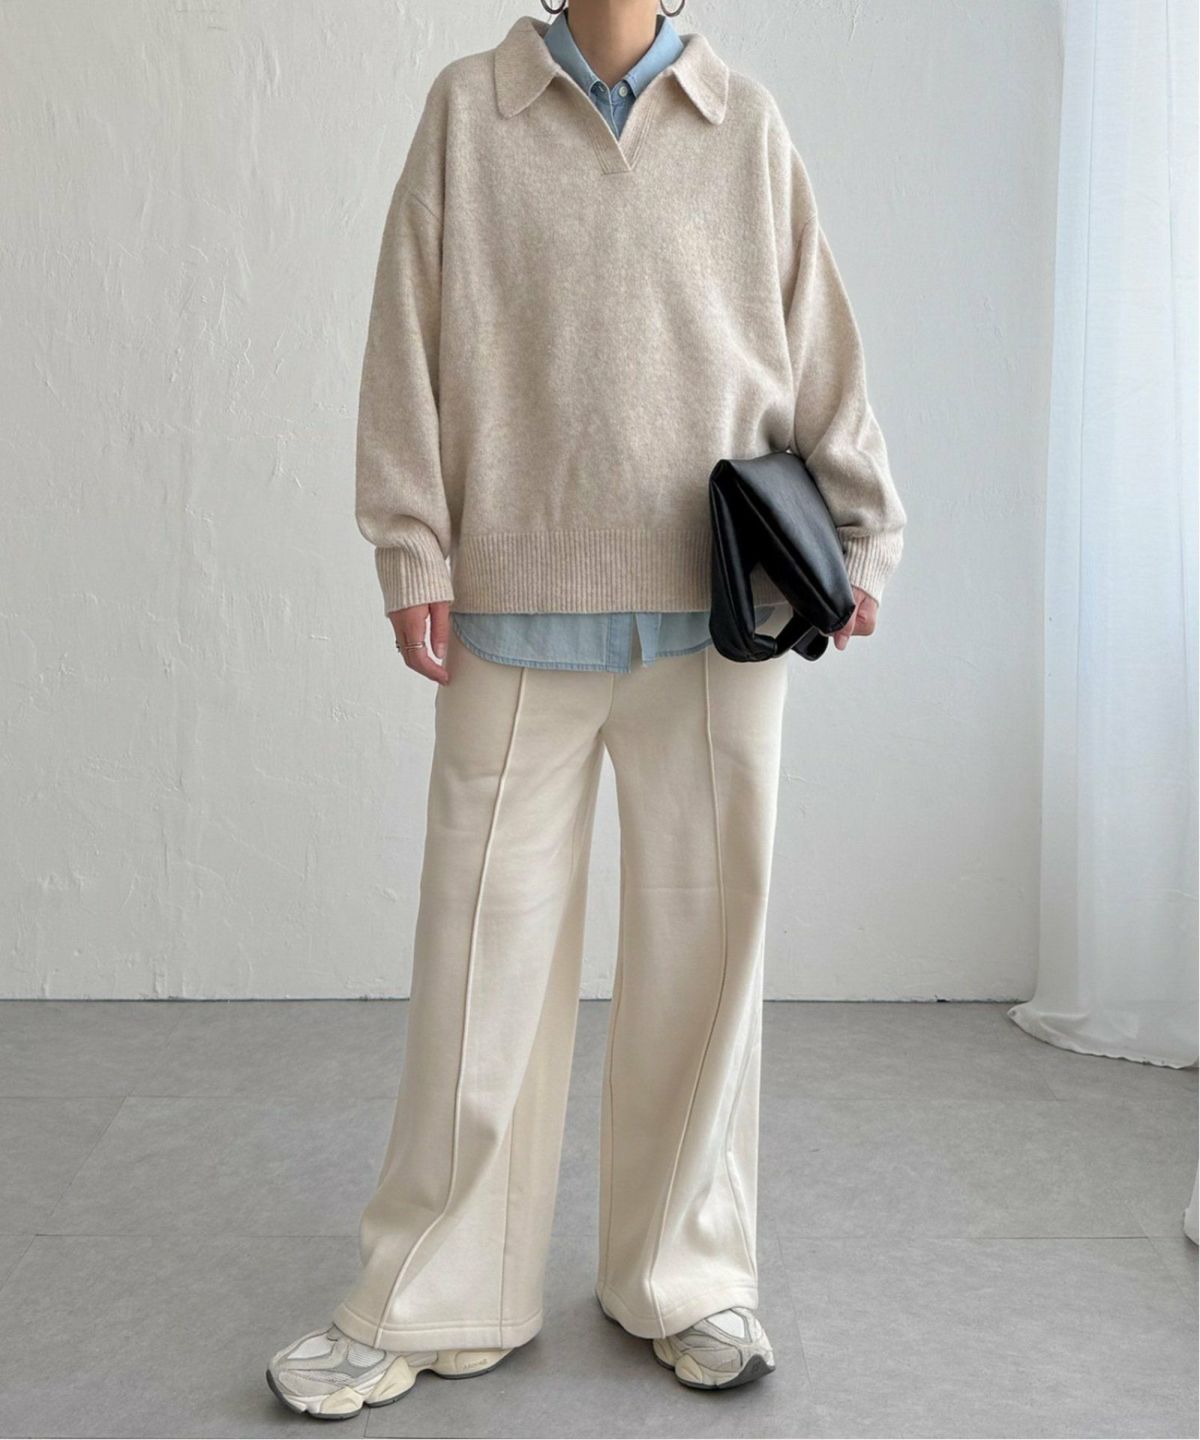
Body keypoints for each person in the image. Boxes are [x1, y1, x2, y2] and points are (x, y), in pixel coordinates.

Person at [267, 0, 907, 1419]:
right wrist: (411, 544)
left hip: (722, 613)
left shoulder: (746, 127)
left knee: (706, 963)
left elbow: (821, 353)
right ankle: (435, 1290)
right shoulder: (468, 112)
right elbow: (405, 343)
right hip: (517, 603)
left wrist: (863, 536)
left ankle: (688, 1276)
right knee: (477, 974)